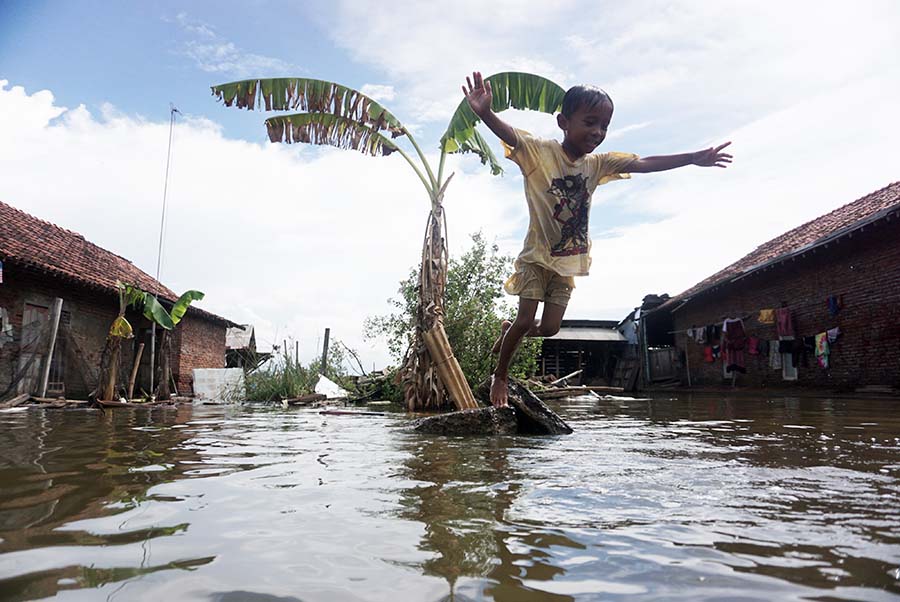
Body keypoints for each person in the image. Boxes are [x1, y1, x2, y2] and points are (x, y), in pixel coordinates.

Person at [461, 71, 732, 407]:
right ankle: (499, 377)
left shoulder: (598, 164)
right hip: (535, 256)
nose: (597, 133)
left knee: (548, 329)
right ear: (563, 121)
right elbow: (511, 136)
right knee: (526, 318)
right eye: (590, 122)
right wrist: (485, 113)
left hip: (568, 262)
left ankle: (508, 331)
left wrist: (692, 158)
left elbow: (644, 162)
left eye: (604, 126)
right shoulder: (539, 152)